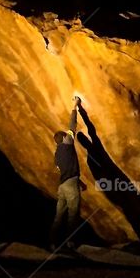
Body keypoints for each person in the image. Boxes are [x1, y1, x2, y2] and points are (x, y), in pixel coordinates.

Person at [50, 96, 83, 250]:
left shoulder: (57, 154)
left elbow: (60, 168)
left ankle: (52, 242)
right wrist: (75, 106)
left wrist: (79, 181)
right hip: (70, 186)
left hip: (62, 186)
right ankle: (71, 243)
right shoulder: (67, 144)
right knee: (73, 214)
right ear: (63, 138)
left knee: (58, 216)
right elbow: (72, 125)